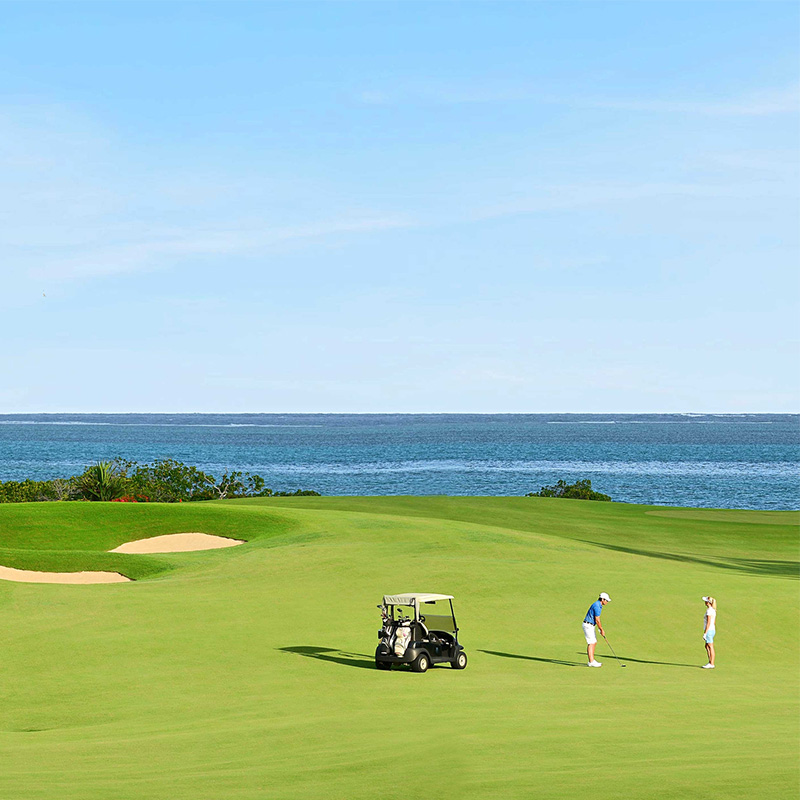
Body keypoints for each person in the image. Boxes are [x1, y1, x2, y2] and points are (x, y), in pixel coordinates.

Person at [582, 592, 610, 667]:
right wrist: (601, 629)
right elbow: (597, 619)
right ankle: (591, 662)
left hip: (590, 625)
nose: (607, 602)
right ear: (602, 599)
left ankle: (592, 660)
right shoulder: (597, 606)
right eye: (606, 600)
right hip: (588, 625)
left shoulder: (598, 605)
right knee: (591, 642)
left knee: (594, 642)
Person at [702, 596, 717, 669]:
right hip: (712, 630)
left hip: (709, 631)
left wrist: (705, 633)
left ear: (708, 603)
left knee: (710, 646)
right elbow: (713, 622)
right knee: (707, 646)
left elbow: (709, 622)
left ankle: (711, 663)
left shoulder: (709, 611)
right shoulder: (713, 610)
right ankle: (710, 662)